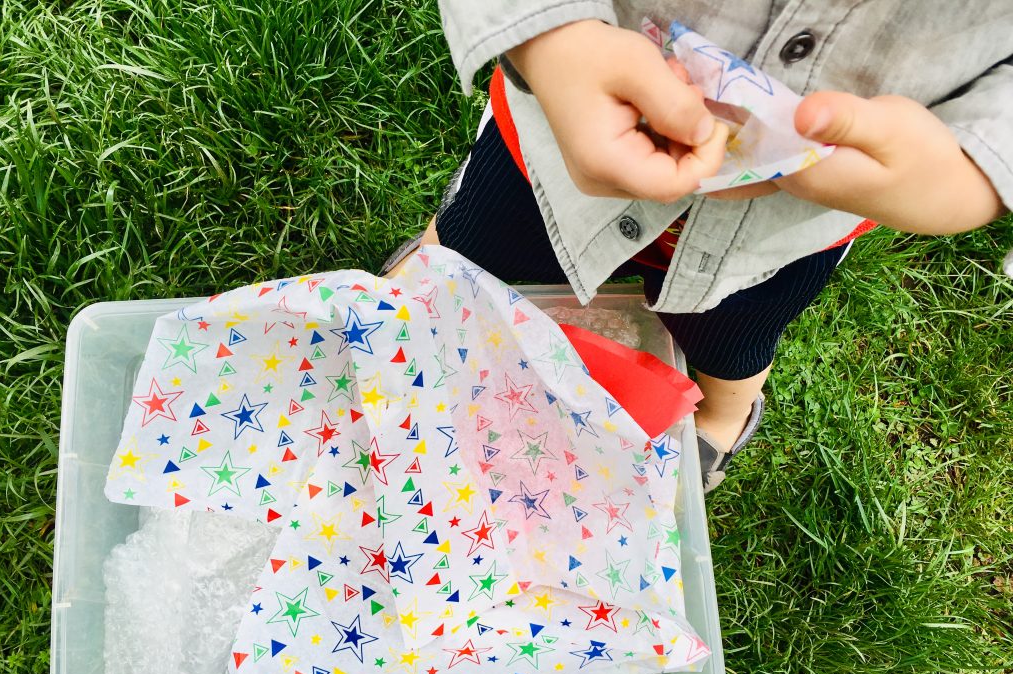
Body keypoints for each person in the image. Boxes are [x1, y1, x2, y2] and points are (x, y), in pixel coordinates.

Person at [384, 2, 1011, 492]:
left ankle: (720, 420)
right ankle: (431, 284)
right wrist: (550, 37)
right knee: (472, 248)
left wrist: (973, 176)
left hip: (784, 235)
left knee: (734, 338)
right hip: (548, 153)